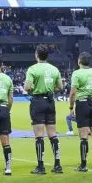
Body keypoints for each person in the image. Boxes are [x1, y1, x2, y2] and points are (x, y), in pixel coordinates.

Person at [23, 45, 64, 175]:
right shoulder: (54, 69)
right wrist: (50, 90)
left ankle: (41, 166)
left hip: (38, 101)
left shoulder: (33, 69)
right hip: (50, 101)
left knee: (39, 135)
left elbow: (27, 87)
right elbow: (60, 87)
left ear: (36, 55)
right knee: (53, 134)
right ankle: (57, 165)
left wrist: (34, 90)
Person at [68, 52, 92, 172]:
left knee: (83, 136)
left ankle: (83, 165)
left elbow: (73, 93)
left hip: (82, 103)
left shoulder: (77, 73)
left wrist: (71, 107)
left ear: (79, 61)